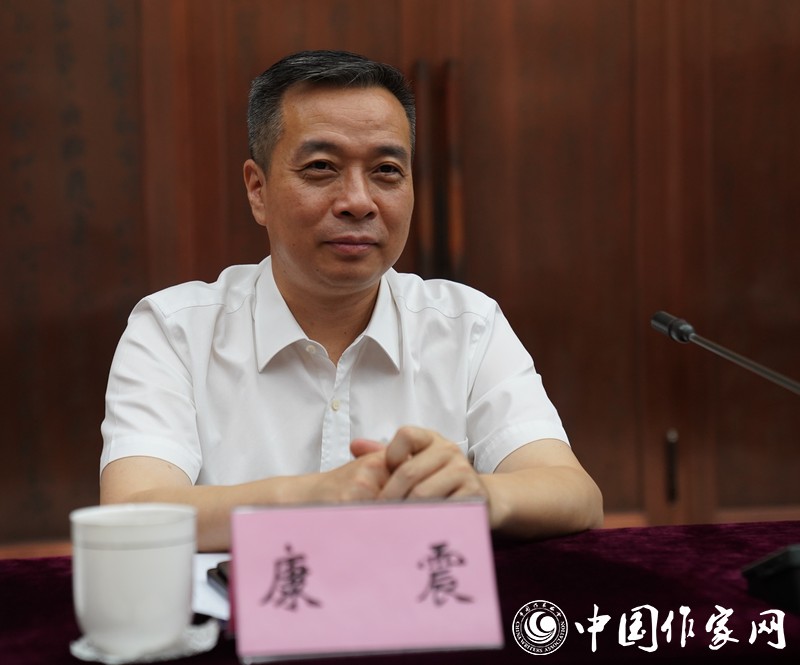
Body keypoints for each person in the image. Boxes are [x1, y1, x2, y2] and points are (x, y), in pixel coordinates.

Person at [99, 50, 602, 551]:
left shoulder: (468, 325)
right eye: (322, 167)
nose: (358, 202)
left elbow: (575, 494)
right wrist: (313, 497)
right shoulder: (174, 332)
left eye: (386, 170)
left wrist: (478, 494)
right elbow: (131, 511)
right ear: (257, 190)